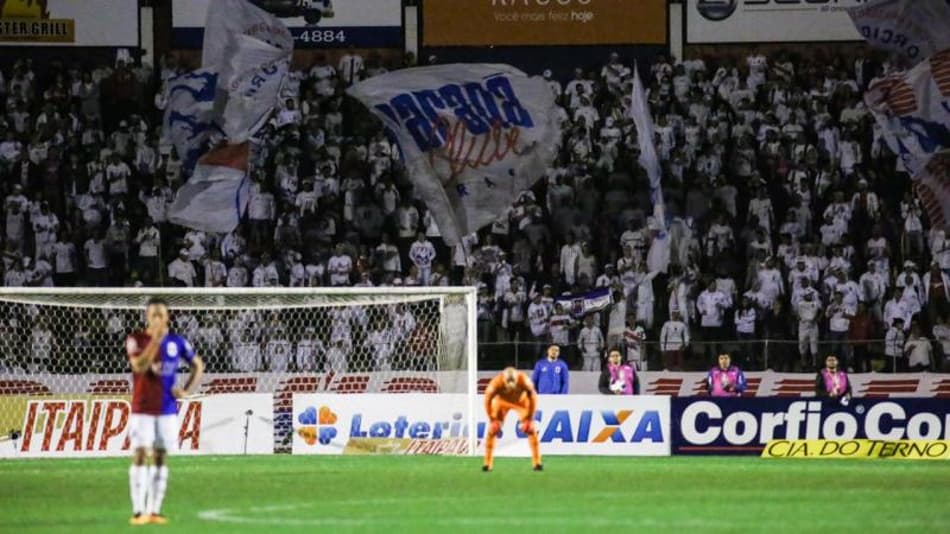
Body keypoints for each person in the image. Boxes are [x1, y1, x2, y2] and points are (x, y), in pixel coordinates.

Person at [125, 297, 205, 525]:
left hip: (167, 408)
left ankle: (155, 511)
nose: (157, 319)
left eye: (161, 314)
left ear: (167, 317)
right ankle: (138, 511)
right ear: (147, 317)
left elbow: (198, 365)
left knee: (160, 457)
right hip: (142, 409)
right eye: (153, 315)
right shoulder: (136, 339)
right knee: (140, 454)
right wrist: (155, 341)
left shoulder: (176, 342)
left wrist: (186, 390)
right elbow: (139, 366)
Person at [482, 367, 541, 472]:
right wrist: (492, 419)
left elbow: (533, 398)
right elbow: (487, 400)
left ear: (516, 380)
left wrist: (530, 418)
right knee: (492, 430)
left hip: (521, 402)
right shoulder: (495, 383)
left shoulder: (524, 381)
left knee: (531, 429)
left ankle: (537, 463)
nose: (510, 389)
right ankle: (487, 464)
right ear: (503, 380)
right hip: (501, 402)